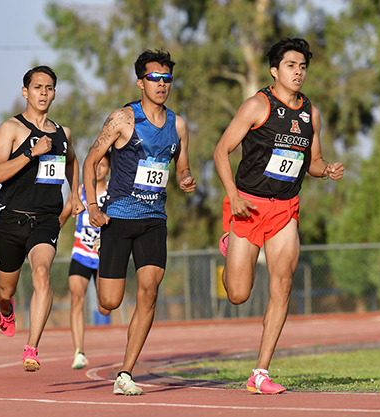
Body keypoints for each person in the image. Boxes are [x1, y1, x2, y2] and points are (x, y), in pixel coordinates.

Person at [213, 38, 344, 394]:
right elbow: (221, 151)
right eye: (291, 65)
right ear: (275, 71)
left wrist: (326, 168)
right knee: (238, 293)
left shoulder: (311, 113)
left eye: (302, 66)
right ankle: (231, 240)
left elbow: (312, 161)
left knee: (282, 283)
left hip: (285, 208)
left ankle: (260, 372)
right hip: (248, 205)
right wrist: (233, 197)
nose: (298, 72)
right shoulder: (258, 105)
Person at [83, 49, 196, 395]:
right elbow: (90, 162)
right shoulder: (122, 119)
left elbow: (182, 169)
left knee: (149, 292)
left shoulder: (178, 125)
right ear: (140, 82)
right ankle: (105, 258)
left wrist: (186, 180)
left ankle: (125, 373)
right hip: (118, 216)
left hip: (154, 219)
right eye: (154, 79)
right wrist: (91, 205)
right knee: (109, 302)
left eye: (167, 79)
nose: (162, 85)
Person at [0, 65, 84, 372]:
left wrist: (76, 194)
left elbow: (72, 161)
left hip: (46, 219)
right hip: (12, 220)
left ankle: (32, 348)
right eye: (38, 87)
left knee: (42, 272)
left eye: (49, 88)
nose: (44, 93)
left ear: (55, 93)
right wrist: (31, 153)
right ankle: (5, 307)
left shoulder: (63, 133)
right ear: (25, 92)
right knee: (7, 290)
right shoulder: (11, 129)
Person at [59, 151, 111, 370]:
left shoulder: (112, 193)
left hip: (103, 254)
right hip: (81, 252)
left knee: (105, 307)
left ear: (109, 169)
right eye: (96, 164)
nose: (98, 168)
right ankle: (79, 351)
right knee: (76, 298)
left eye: (103, 165)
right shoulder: (79, 192)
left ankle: (106, 299)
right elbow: (62, 217)